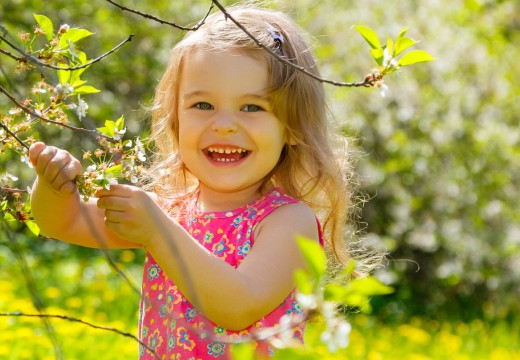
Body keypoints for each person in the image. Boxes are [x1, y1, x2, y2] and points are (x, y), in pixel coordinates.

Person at [29, 4, 354, 358]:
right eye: (202, 105)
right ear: (175, 119)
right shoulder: (172, 210)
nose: (224, 124)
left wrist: (157, 231)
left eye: (252, 108)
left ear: (292, 127)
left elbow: (238, 306)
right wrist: (52, 187)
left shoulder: (288, 222)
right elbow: (67, 221)